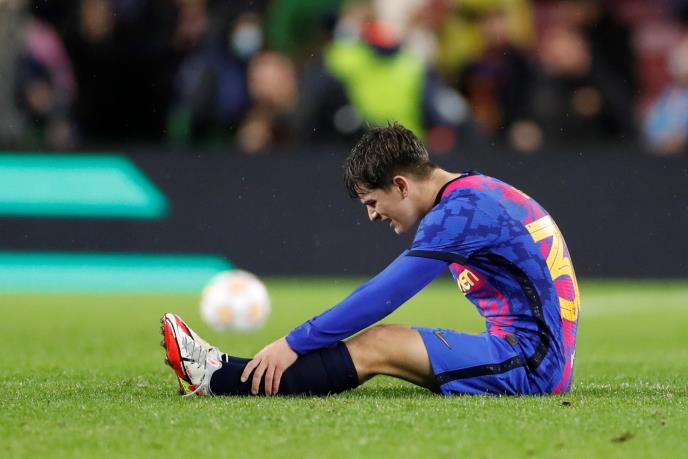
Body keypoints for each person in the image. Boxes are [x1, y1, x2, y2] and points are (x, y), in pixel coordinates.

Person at [160, 123, 580, 397]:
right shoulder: (475, 193)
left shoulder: (460, 214)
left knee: (379, 344)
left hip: (532, 364)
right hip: (540, 355)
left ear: (401, 185)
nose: (373, 216)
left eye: (372, 202)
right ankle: (225, 371)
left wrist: (294, 342)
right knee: (382, 343)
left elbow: (386, 294)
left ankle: (219, 379)